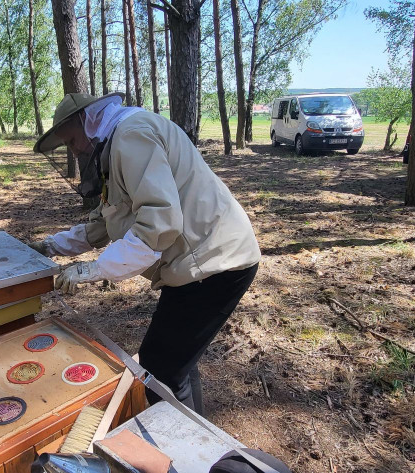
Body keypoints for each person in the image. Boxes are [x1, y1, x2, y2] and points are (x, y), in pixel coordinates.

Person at [29, 92, 261, 413]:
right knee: (175, 363)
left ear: (86, 121)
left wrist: (94, 270)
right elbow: (104, 222)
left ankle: (185, 453)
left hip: (213, 263)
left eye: (71, 141)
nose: (75, 150)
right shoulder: (119, 141)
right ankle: (197, 436)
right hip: (205, 261)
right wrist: (50, 247)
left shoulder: (130, 136)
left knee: (159, 371)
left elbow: (160, 225)